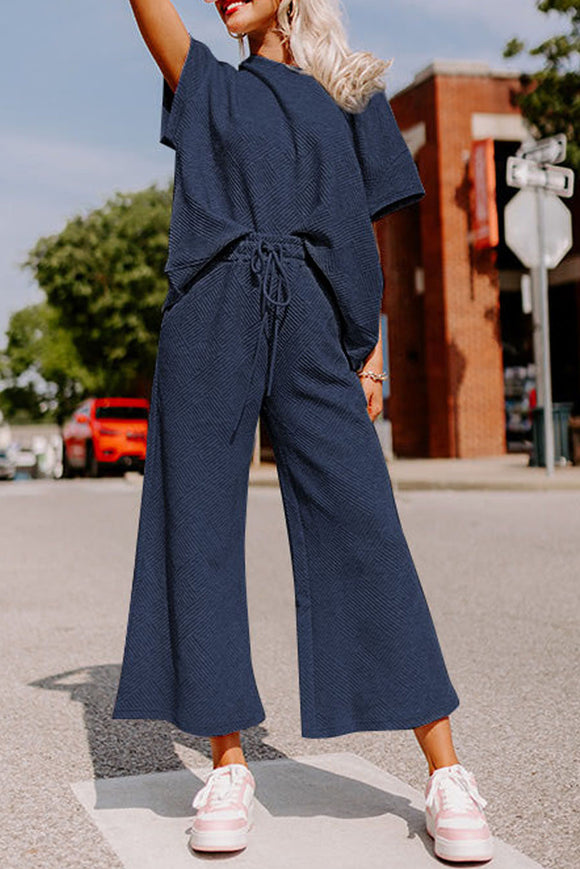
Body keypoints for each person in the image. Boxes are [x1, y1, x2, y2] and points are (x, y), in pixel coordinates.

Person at [112, 0, 494, 862]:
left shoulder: (354, 91)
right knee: (199, 527)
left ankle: (445, 770)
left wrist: (370, 351)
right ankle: (227, 758)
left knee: (365, 525)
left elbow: (368, 234)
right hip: (211, 310)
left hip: (317, 318)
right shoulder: (209, 82)